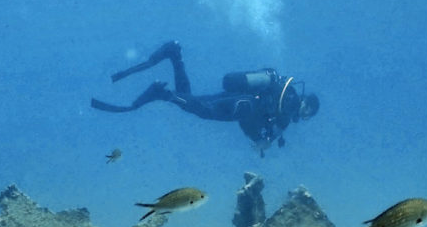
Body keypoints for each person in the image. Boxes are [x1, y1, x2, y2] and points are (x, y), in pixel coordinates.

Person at [91, 41, 319, 157]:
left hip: (241, 100)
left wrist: (260, 136)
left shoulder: (284, 95)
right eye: (308, 113)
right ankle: (162, 93)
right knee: (201, 110)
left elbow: (261, 123)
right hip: (244, 106)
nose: (304, 116)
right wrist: (261, 141)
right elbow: (256, 124)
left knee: (192, 101)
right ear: (306, 106)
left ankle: (174, 54)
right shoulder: (289, 107)